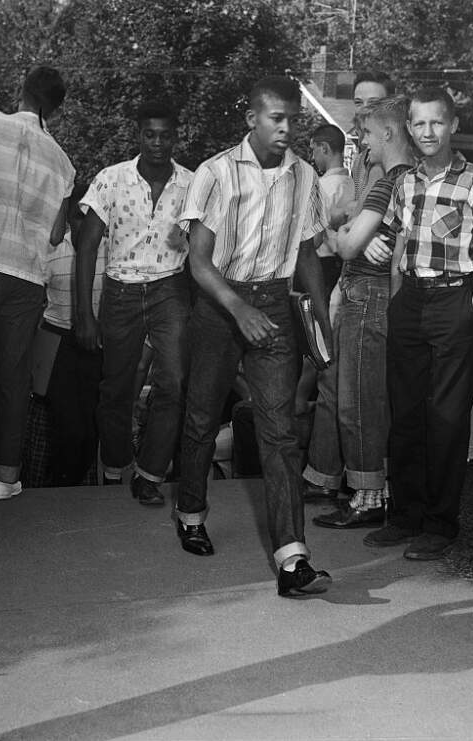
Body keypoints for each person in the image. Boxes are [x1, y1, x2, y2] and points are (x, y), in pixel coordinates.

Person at [175, 76, 334, 597]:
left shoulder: (304, 175)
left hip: (274, 305)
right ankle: (191, 513)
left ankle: (293, 559)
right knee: (202, 417)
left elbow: (307, 251)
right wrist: (238, 308)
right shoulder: (215, 173)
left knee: (280, 430)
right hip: (219, 304)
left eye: (293, 119)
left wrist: (321, 320)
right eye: (276, 118)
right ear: (252, 120)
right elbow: (198, 262)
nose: (286, 128)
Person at [363, 86, 473, 559]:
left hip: (454, 303)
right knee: (405, 413)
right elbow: (392, 240)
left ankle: (441, 524)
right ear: (409, 127)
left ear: (453, 125)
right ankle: (406, 515)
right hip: (410, 301)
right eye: (419, 123)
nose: (428, 132)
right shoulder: (404, 182)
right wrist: (391, 288)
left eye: (437, 122)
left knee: (446, 417)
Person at [305, 95, 415, 527]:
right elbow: (351, 229)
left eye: (367, 134)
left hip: (367, 294)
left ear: (388, 133)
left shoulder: (390, 182)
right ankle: (365, 489)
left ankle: (369, 497)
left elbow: (347, 244)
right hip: (367, 290)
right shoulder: (404, 179)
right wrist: (356, 230)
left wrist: (353, 231)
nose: (363, 143)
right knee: (355, 397)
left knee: (360, 404)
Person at [76, 101, 193, 504]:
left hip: (170, 288)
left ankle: (149, 474)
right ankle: (115, 466)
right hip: (121, 291)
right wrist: (84, 314)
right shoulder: (111, 179)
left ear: (176, 137)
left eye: (165, 135)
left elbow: (205, 244)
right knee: (116, 388)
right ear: (139, 135)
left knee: (173, 383)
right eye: (150, 134)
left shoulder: (192, 184)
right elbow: (87, 246)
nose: (157, 143)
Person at [0, 66, 74, 500]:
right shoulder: (63, 161)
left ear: (21, 92)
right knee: (14, 379)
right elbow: (56, 233)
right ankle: (5, 478)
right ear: (57, 109)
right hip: (27, 279)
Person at [40, 186, 107, 486]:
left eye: (90, 215)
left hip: (97, 346)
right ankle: (58, 486)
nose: (84, 222)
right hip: (57, 345)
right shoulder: (52, 251)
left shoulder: (112, 251)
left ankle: (80, 490)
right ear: (68, 217)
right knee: (65, 424)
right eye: (78, 216)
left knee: (92, 426)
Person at [308, 123, 355, 299]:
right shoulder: (353, 184)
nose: (312, 157)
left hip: (321, 265)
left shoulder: (320, 188)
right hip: (345, 265)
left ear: (324, 148)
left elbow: (314, 239)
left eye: (313, 150)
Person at [349, 71, 394, 206]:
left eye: (373, 103)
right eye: (358, 103)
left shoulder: (396, 160)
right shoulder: (360, 159)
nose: (364, 109)